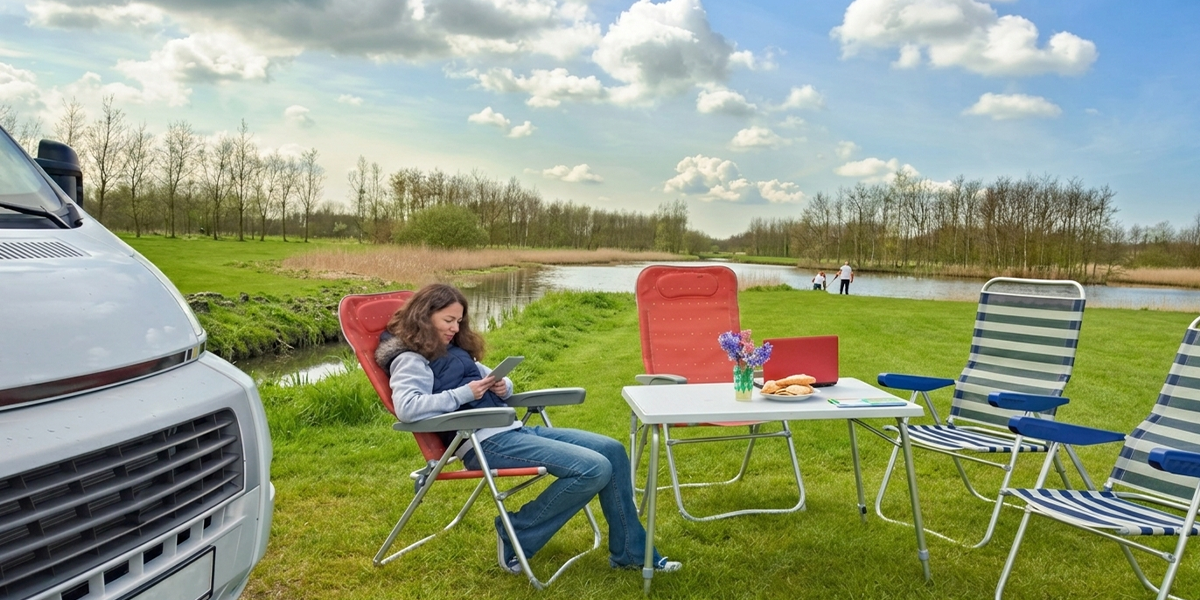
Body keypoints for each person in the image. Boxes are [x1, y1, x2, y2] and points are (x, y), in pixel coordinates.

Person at [376, 283, 681, 576]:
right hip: (481, 441)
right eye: (448, 320)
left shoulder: (453, 350)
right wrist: (466, 393)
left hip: (511, 430)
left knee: (611, 450)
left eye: (459, 320)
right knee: (592, 469)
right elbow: (408, 407)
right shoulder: (409, 358)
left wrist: (500, 384)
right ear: (425, 315)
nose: (455, 327)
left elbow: (495, 384)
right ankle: (516, 533)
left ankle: (630, 552)